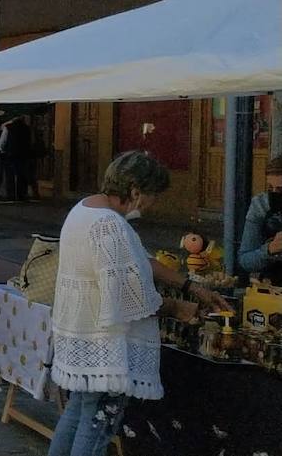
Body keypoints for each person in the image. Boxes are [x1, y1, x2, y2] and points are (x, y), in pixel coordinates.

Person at [46, 151, 222, 456]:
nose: (154, 205)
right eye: (154, 197)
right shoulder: (109, 225)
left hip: (87, 339)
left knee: (77, 415)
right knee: (96, 427)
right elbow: (133, 299)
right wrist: (178, 308)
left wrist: (189, 285)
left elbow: (139, 261)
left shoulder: (85, 209)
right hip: (108, 347)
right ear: (136, 192)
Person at [237, 157, 282, 280]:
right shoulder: (261, 205)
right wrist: (270, 249)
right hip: (271, 285)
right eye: (270, 188)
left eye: (280, 189)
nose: (275, 194)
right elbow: (245, 260)